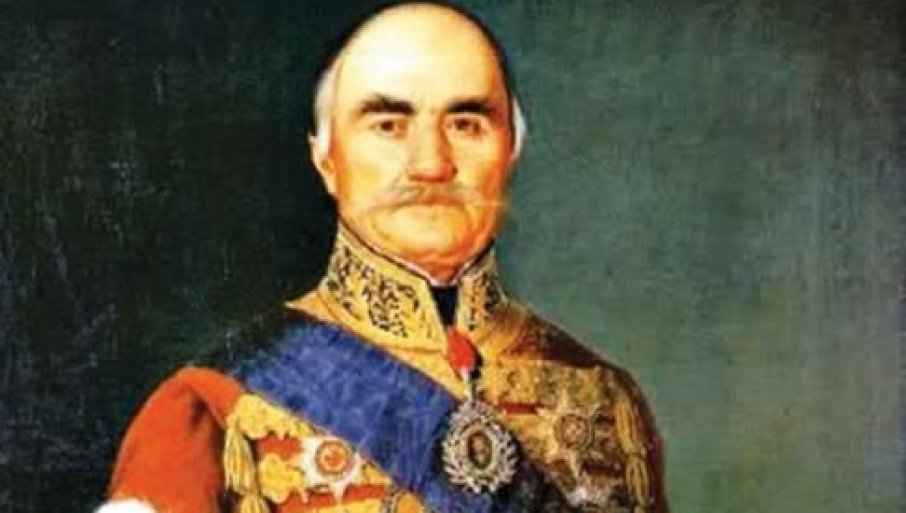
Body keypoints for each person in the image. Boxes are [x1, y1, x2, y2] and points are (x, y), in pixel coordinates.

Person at [97, 3, 669, 513]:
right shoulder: (210, 407)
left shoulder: (605, 398)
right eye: (389, 125)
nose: (431, 163)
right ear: (326, 158)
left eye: (466, 124)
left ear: (510, 151)